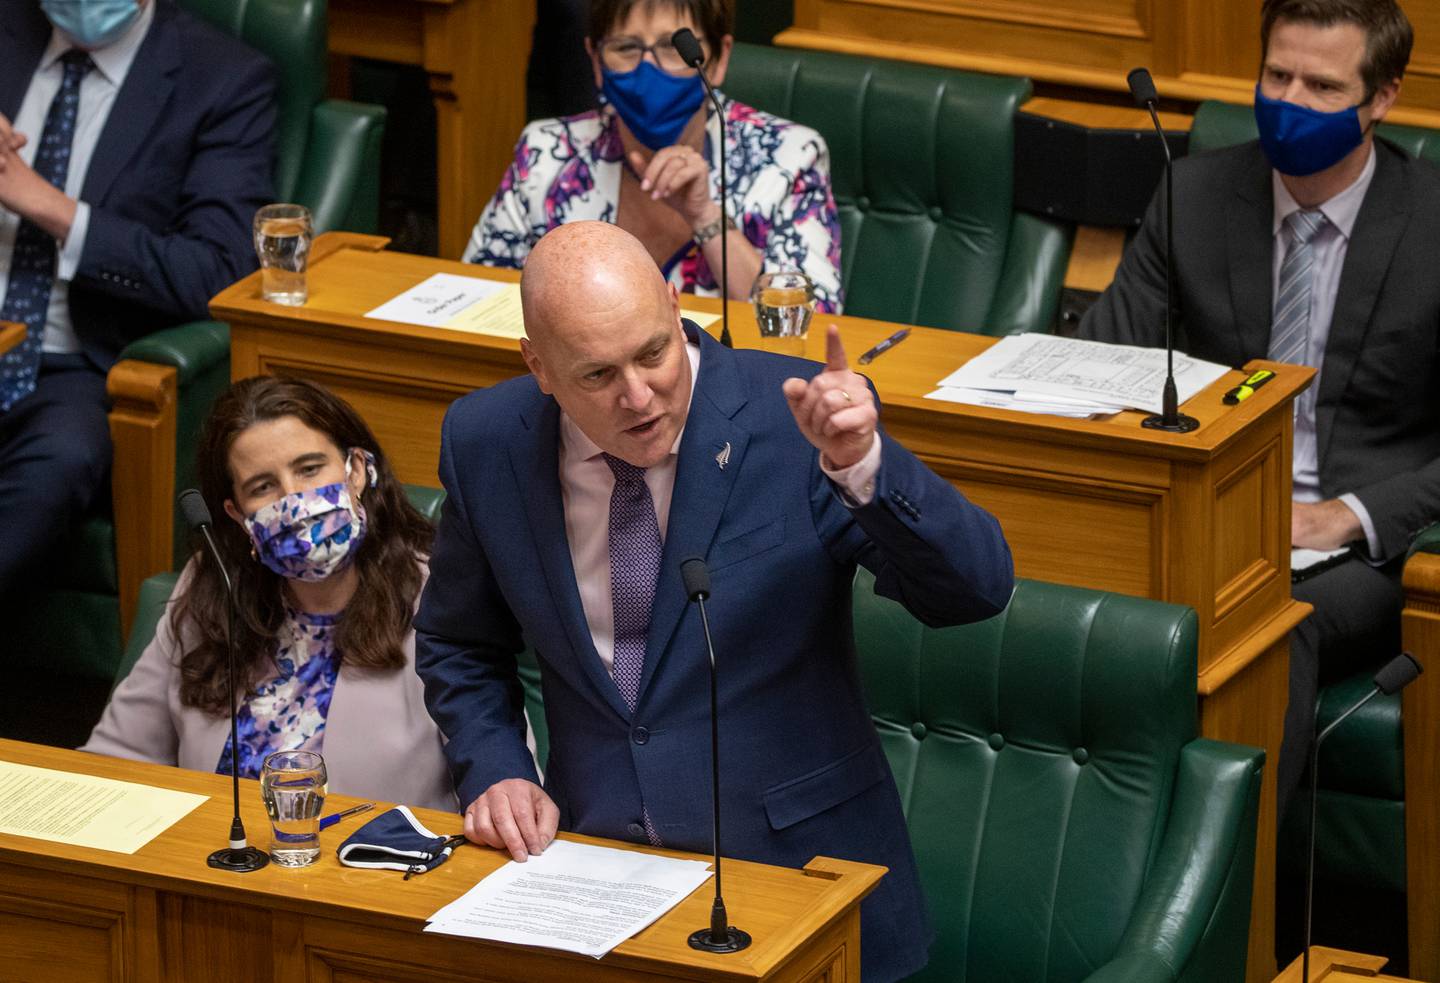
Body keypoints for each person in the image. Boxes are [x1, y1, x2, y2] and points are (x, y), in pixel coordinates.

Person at [415, 221, 1013, 981]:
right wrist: (498, 766)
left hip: (799, 883)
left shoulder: (787, 416)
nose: (639, 397)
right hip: (594, 885)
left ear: (674, 304)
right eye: (597, 375)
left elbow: (976, 588)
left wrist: (864, 466)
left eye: (653, 353)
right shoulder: (485, 438)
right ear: (538, 365)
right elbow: (459, 644)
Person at [1079, 0, 1434, 817]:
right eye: (1277, 75)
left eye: (1322, 85)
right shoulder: (1195, 191)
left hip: (1359, 550)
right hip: (1207, 511)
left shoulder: (1433, 226)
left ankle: (1234, 913)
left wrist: (1344, 515)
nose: (1291, 101)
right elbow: (1102, 359)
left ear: (1381, 98)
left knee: (1273, 619)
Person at [0, 0, 277, 597]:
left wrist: (49, 206)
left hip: (74, 364)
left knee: (62, 460)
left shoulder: (222, 79)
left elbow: (216, 270)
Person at [84, 377, 457, 811]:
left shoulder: (438, 593)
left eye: (310, 468)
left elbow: (499, 786)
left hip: (380, 870)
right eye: (263, 487)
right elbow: (115, 761)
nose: (294, 499)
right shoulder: (212, 585)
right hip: (209, 862)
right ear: (237, 514)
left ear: (356, 470)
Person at [463, 0, 844, 313]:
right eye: (625, 48)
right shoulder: (546, 152)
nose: (648, 71)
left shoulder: (789, 157)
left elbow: (804, 328)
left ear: (718, 57)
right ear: (595, 60)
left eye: (672, 47)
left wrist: (706, 217)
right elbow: (474, 298)